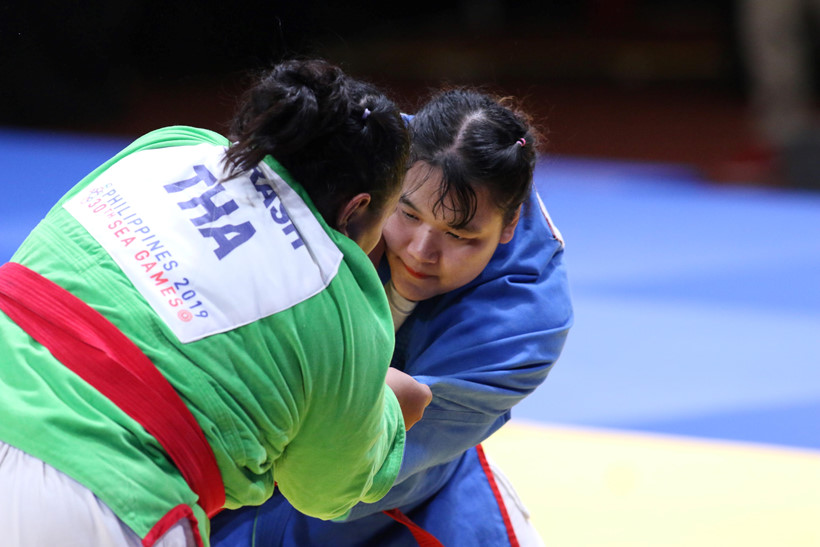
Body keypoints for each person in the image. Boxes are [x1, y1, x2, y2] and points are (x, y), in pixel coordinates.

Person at [0, 59, 433, 547]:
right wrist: (391, 415)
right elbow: (324, 492)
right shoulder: (348, 310)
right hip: (93, 493)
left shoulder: (168, 144)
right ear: (357, 207)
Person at [210, 88, 573, 546]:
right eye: (407, 213)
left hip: (384, 495)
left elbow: (352, 472)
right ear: (391, 176)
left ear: (509, 225)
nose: (422, 251)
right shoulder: (351, 150)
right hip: (235, 435)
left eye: (459, 235)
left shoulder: (525, 324)